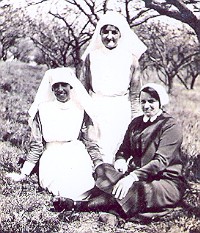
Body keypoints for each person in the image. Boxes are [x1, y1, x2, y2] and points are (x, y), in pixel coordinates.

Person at [61, 83, 186, 221]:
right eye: (143, 101)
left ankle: (79, 205)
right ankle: (116, 206)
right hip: (135, 176)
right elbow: (123, 150)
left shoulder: (170, 126)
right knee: (102, 169)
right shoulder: (136, 123)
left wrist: (132, 177)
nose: (146, 105)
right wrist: (120, 160)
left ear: (161, 102)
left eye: (151, 101)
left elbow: (160, 162)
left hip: (164, 182)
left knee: (135, 189)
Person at [6, 67, 99, 203]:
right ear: (51, 88)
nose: (60, 89)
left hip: (76, 154)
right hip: (52, 156)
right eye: (56, 86)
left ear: (71, 86)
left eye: (64, 85)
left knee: (84, 185)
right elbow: (36, 145)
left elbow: (89, 142)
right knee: (64, 187)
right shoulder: (43, 109)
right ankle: (70, 203)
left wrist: (99, 164)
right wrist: (24, 173)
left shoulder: (80, 109)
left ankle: (78, 204)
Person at [81, 11, 147, 165]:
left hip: (120, 109)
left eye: (114, 32)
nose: (109, 36)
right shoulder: (91, 57)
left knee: (119, 150)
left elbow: (135, 93)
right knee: (96, 149)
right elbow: (83, 90)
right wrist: (83, 117)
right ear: (100, 33)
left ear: (120, 34)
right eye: (105, 32)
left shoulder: (130, 59)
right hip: (97, 108)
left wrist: (136, 120)